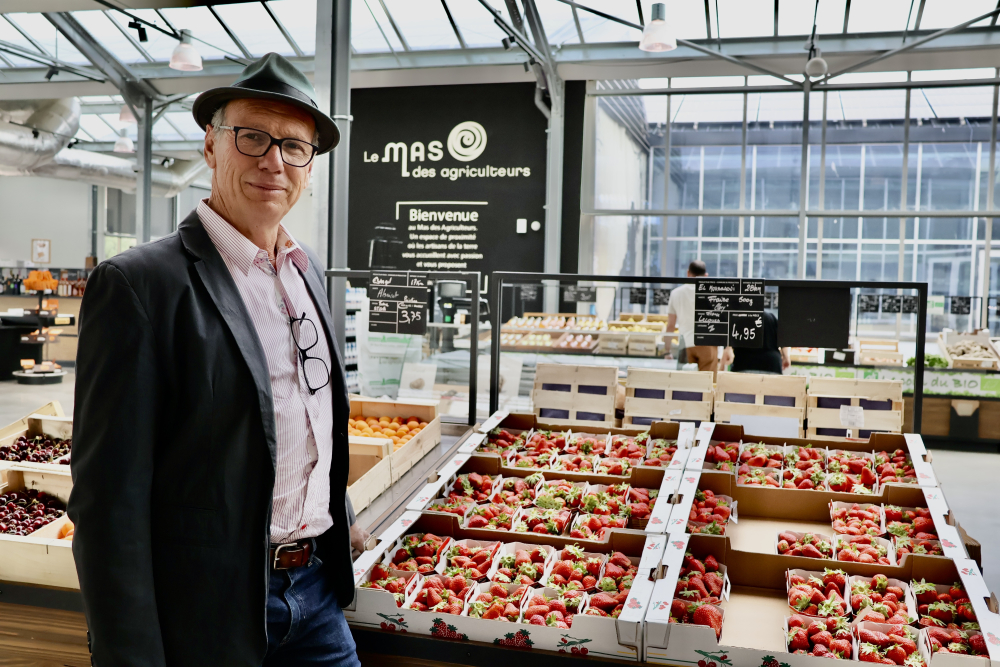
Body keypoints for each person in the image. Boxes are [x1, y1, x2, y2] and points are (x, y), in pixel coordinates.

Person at [70, 53, 365, 667]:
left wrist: (337, 514)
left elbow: (306, 416)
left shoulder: (306, 272)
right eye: (252, 137)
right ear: (211, 145)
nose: (273, 161)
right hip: (207, 609)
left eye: (294, 146)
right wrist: (130, 655)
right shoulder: (140, 284)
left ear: (309, 165)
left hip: (316, 596)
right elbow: (108, 497)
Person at [666, 260, 719, 373]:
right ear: (706, 276)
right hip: (707, 344)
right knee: (707, 381)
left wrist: (667, 350)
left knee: (687, 382)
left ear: (687, 273)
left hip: (685, 344)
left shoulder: (676, 293)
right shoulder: (713, 293)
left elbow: (670, 325)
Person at [721, 309, 791, 374]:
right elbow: (784, 340)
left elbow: (729, 342)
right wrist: (786, 356)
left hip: (744, 365)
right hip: (772, 366)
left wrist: (722, 365)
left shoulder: (739, 318)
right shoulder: (771, 317)